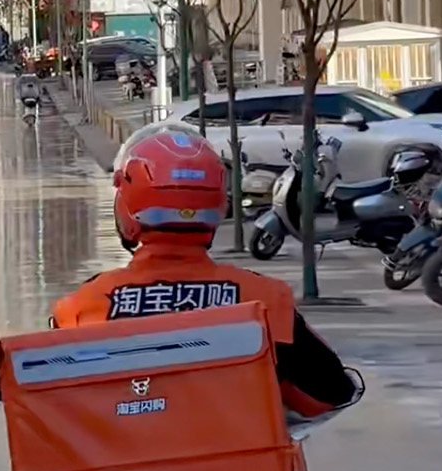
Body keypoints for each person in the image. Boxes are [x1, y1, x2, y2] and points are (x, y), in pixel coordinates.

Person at [49, 123, 356, 418]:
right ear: (217, 204)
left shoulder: (85, 305)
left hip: (119, 469)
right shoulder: (264, 300)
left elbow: (55, 404)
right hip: (244, 469)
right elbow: (328, 396)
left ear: (128, 205)